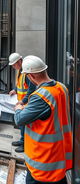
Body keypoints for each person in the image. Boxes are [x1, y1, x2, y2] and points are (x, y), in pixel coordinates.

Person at [14, 55, 72, 184]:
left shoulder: (41, 96)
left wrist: (19, 107)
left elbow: (19, 119)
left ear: (31, 76)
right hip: (58, 158)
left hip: (43, 163)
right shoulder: (62, 88)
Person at [8, 52, 36, 153]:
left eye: (14, 64)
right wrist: (14, 90)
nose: (13, 67)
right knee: (22, 125)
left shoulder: (27, 73)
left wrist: (23, 101)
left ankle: (25, 145)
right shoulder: (21, 71)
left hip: (26, 103)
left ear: (20, 61)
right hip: (22, 103)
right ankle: (22, 140)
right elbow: (20, 83)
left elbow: (31, 90)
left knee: (25, 125)